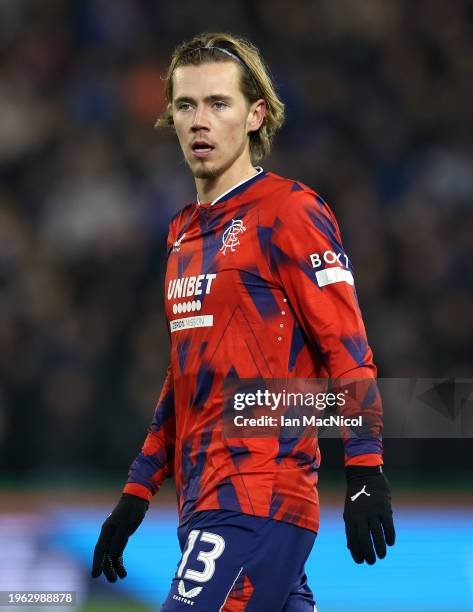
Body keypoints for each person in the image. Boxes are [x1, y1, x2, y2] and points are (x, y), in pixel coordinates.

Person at [91, 32, 395, 611]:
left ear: (256, 115)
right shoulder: (181, 233)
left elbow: (346, 348)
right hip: (203, 502)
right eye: (186, 105)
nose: (199, 121)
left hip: (258, 497)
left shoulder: (289, 211)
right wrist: (136, 492)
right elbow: (186, 378)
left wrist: (364, 468)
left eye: (218, 104)